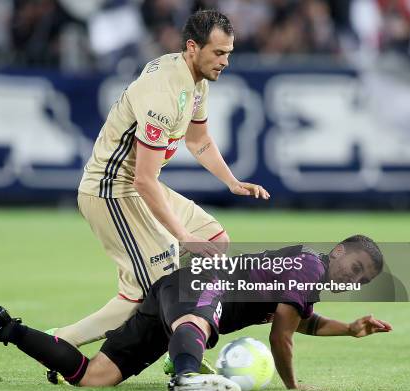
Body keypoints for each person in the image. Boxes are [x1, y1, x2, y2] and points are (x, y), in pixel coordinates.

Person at [55, 9, 269, 351]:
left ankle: (189, 333)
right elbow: (143, 179)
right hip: (111, 190)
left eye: (228, 53)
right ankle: (59, 343)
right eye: (218, 53)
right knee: (150, 292)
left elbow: (198, 141)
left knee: (215, 242)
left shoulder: (195, 80)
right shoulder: (164, 95)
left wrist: (232, 181)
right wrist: (182, 237)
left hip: (138, 186)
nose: (225, 62)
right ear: (192, 48)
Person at [0, 235, 392, 391]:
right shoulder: (309, 269)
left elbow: (300, 322)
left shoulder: (305, 275)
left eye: (361, 278)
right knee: (196, 323)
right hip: (196, 287)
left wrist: (349, 330)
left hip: (174, 292)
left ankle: (3, 326)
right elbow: (282, 336)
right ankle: (184, 375)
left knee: (93, 376)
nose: (352, 278)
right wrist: (294, 386)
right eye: (353, 267)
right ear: (337, 252)